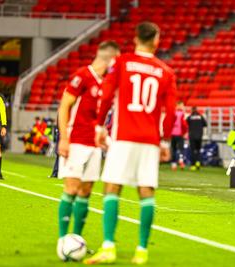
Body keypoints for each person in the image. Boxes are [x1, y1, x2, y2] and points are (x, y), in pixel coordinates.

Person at [84, 22, 176, 265]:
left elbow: (105, 94)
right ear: (156, 41)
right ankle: (142, 251)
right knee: (146, 191)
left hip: (124, 136)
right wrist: (165, 140)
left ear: (135, 38)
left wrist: (100, 126)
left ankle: (108, 247)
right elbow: (171, 111)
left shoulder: (122, 63)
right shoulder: (165, 71)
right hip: (150, 140)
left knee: (112, 187)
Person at [56, 41, 120, 253]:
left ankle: (77, 239)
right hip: (76, 142)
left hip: (94, 146)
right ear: (110, 59)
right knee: (71, 188)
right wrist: (63, 138)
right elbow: (64, 106)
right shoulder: (82, 76)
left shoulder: (107, 83)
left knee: (85, 192)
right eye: (116, 61)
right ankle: (63, 239)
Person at [186, 106, 207, 170]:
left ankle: (193, 165)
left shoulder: (189, 117)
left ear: (192, 110)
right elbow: (205, 124)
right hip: (199, 136)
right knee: (198, 150)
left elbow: (186, 124)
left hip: (192, 136)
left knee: (193, 151)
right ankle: (198, 163)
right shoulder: (200, 116)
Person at [170, 101, 187, 170]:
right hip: (180, 134)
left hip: (172, 133)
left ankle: (173, 165)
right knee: (181, 149)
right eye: (182, 105)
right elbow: (184, 124)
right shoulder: (182, 114)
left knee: (173, 149)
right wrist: (185, 132)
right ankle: (180, 160)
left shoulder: (173, 113)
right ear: (180, 106)